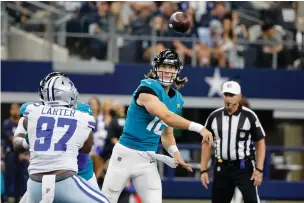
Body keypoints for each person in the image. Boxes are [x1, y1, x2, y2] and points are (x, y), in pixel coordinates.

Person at [101, 49, 213, 203]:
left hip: (148, 158)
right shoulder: (147, 88)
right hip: (125, 154)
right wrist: (199, 128)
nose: (167, 71)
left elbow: (167, 134)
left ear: (177, 70)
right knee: (106, 200)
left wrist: (175, 152)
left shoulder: (177, 99)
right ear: (156, 68)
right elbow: (166, 116)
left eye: (171, 67)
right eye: (164, 66)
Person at [13, 73, 109, 202]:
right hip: (65, 176)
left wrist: (29, 141)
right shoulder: (82, 115)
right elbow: (86, 150)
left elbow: (17, 144)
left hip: (42, 178)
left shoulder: (31, 110)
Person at [200, 81, 266, 203]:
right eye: (226, 95)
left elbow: (260, 141)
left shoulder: (249, 116)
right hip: (222, 166)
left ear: (239, 96)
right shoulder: (214, 117)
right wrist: (203, 169)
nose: (228, 98)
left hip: (244, 167)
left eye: (232, 95)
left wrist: (259, 169)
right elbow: (206, 143)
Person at [2, 103, 28, 202]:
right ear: (10, 111)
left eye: (17, 109)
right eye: (13, 109)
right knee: (10, 175)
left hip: (22, 153)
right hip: (11, 153)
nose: (15, 111)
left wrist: (22, 152)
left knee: (22, 175)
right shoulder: (7, 123)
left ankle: (21, 196)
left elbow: (27, 137)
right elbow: (12, 139)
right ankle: (10, 197)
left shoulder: (23, 123)